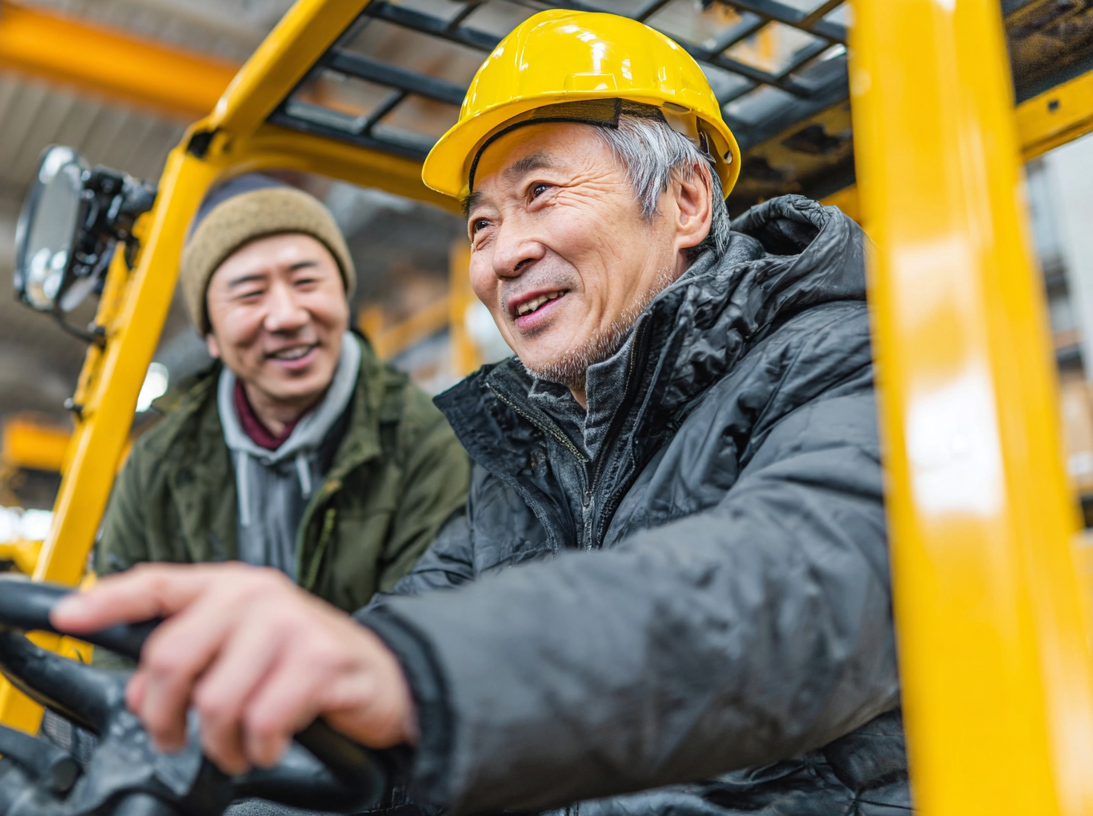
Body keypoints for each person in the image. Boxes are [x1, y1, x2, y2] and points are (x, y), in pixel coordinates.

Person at [56, 10, 903, 815]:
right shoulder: (518, 454)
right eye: (481, 226)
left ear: (686, 202)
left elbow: (794, 597)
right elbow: (385, 657)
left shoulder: (844, 360)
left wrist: (413, 675)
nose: (504, 255)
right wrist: (162, 753)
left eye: (541, 192)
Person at [94, 177, 470, 612]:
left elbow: (422, 623)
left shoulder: (426, 443)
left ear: (343, 296)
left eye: (306, 282)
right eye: (250, 295)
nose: (287, 316)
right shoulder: (158, 466)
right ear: (210, 335)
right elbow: (118, 624)